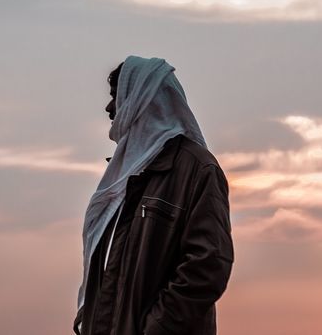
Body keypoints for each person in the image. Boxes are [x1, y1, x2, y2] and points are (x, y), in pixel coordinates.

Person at [73, 56, 233, 335]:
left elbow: (208, 265)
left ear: (144, 99)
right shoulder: (123, 177)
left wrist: (157, 328)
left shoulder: (197, 169)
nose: (109, 108)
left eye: (118, 96)